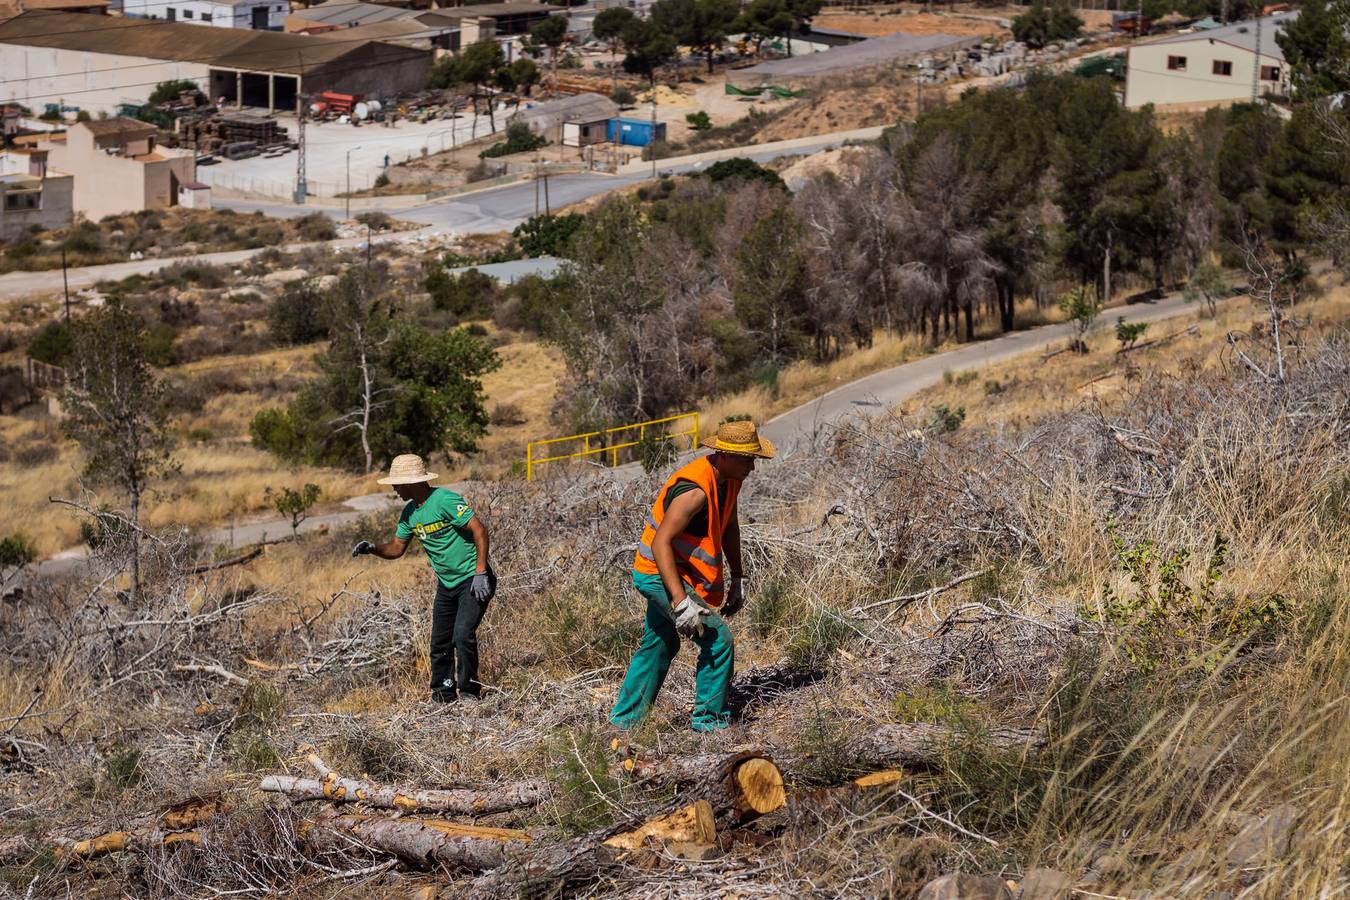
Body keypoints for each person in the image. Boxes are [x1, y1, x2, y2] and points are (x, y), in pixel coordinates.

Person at [610, 419, 775, 733]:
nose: (752, 467)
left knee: (660, 642)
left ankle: (624, 723)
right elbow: (661, 544)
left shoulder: (730, 479)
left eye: (754, 459)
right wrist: (681, 603)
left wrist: (738, 577)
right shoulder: (695, 491)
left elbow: (729, 526)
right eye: (747, 459)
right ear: (724, 455)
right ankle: (708, 725)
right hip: (658, 573)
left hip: (678, 574)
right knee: (717, 641)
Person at [352, 454, 496, 703]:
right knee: (440, 642)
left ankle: (470, 692)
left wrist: (481, 572)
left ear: (411, 482)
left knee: (462, 635)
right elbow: (397, 548)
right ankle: (443, 694)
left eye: (397, 484)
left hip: (471, 580)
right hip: (447, 585)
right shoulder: (410, 513)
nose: (395, 489)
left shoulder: (444, 500)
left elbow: (479, 530)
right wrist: (373, 548)